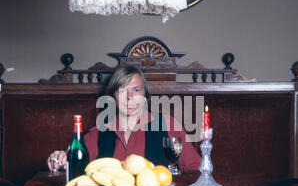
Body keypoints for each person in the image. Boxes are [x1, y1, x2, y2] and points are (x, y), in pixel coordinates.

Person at [47, 66, 201, 173]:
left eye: (136, 90)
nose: (129, 97)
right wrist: (58, 159)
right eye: (122, 91)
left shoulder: (168, 124)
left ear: (145, 96)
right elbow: (72, 162)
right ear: (112, 98)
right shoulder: (97, 133)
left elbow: (195, 168)